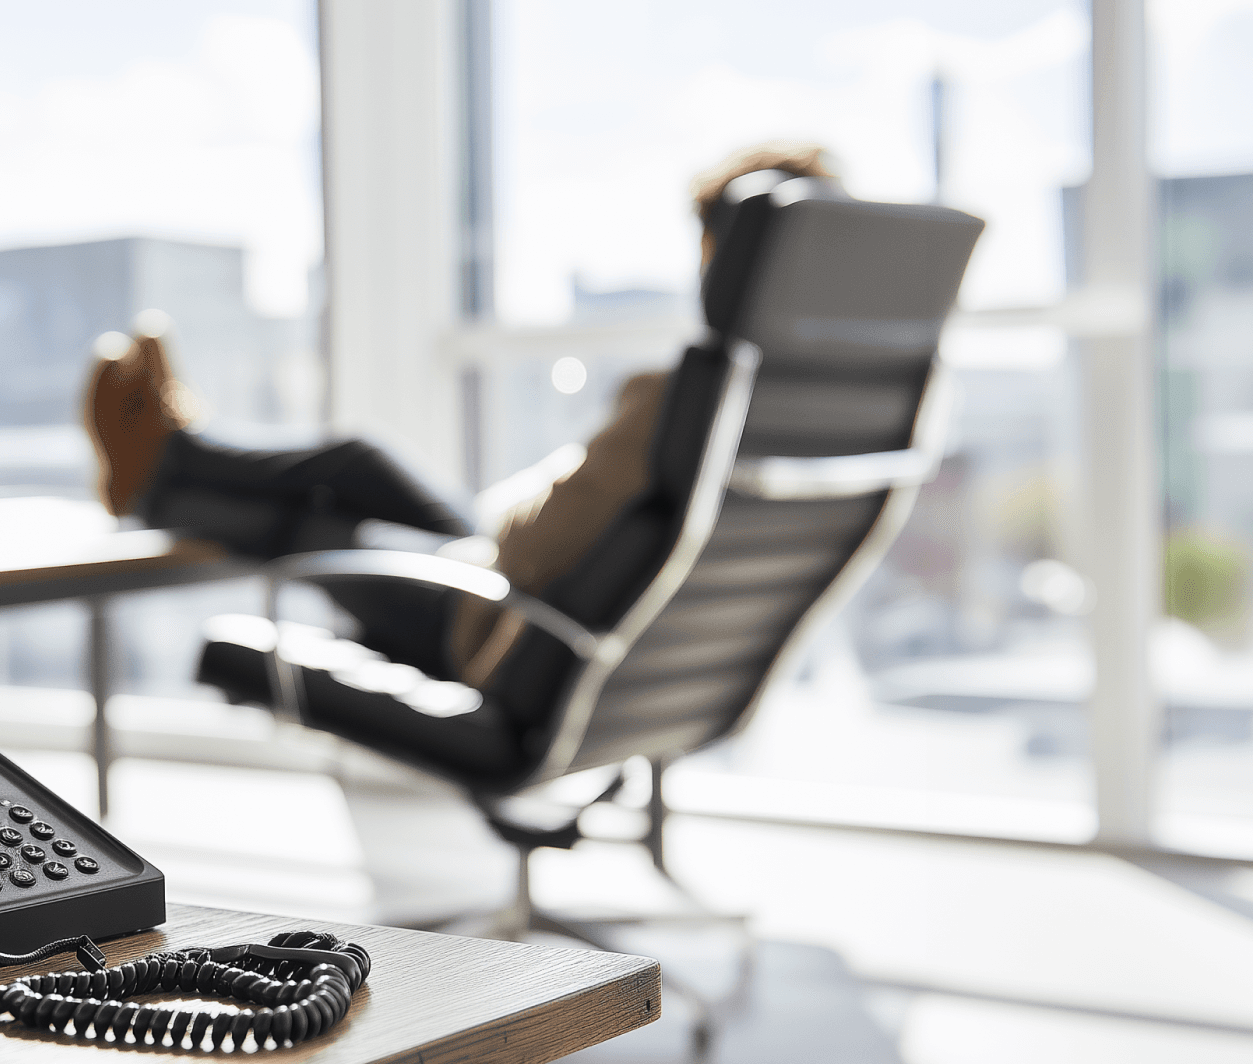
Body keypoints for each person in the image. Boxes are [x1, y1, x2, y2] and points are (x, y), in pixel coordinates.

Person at [84, 142, 839, 689]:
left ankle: (163, 469)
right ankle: (165, 464)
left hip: (501, 622)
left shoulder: (683, 400)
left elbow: (536, 545)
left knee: (313, 528)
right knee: (354, 460)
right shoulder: (825, 415)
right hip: (546, 603)